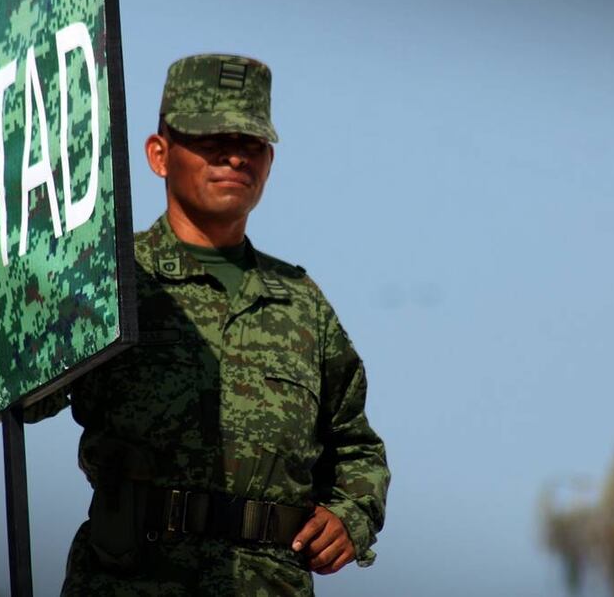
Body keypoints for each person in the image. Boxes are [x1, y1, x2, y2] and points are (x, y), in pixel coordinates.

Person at [28, 53, 389, 595]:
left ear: (269, 162)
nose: (233, 158)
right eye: (210, 140)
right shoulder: (110, 280)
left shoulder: (300, 304)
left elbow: (356, 447)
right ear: (159, 154)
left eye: (250, 145)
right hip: (133, 582)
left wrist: (350, 518)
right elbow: (25, 396)